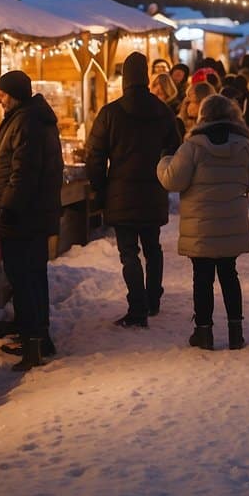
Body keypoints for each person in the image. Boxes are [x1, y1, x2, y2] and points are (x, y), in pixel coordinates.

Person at [157, 95, 249, 351]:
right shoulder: (245, 145)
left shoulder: (193, 146)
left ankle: (204, 333)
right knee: (229, 274)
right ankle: (236, 332)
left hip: (201, 226)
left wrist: (163, 161)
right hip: (231, 223)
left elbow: (173, 180)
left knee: (202, 278)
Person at [87, 52, 182, 328]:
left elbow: (95, 155)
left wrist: (99, 187)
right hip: (153, 191)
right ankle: (153, 300)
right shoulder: (163, 111)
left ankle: (137, 307)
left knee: (128, 252)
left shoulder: (110, 113)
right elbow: (175, 148)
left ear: (125, 79)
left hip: (121, 193)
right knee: (153, 248)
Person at [0, 69, 64, 370]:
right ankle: (39, 337)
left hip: (22, 217)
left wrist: (8, 207)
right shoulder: (31, 118)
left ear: (14, 94)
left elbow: (24, 172)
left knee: (23, 279)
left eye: (2, 94)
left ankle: (33, 345)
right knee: (33, 277)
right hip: (33, 215)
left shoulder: (26, 122)